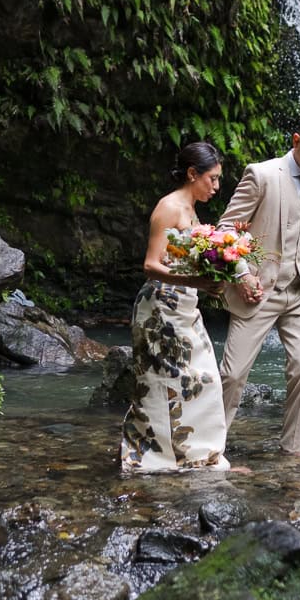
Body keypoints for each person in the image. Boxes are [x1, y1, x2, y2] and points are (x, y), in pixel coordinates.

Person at [219, 114, 300, 460]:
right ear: (296, 140)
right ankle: (212, 449)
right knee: (233, 373)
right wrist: (242, 275)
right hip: (259, 290)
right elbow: (227, 231)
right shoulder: (262, 175)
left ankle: (293, 449)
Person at [121, 141, 239, 473]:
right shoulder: (169, 207)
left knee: (204, 380)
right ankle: (153, 457)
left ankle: (198, 455)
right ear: (192, 174)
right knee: (162, 383)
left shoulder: (191, 210)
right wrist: (200, 282)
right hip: (160, 309)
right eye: (212, 179)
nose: (216, 187)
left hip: (185, 308)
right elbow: (150, 264)